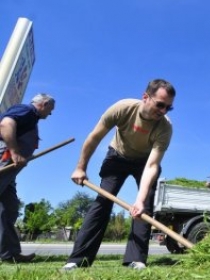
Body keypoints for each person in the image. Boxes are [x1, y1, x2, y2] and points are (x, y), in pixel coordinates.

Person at [61, 79, 175, 271]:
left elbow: (152, 165)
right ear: (145, 97)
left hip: (145, 162)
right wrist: (80, 167)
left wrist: (139, 200)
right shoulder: (123, 108)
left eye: (168, 108)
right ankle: (78, 259)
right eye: (160, 105)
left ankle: (136, 259)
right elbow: (94, 137)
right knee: (102, 202)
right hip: (117, 156)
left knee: (143, 207)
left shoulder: (165, 127)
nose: (163, 111)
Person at [0, 93, 55, 263]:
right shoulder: (26, 111)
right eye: (50, 110)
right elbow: (6, 124)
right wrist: (15, 153)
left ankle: (10, 253)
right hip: (4, 161)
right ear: (44, 104)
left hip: (11, 173)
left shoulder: (32, 119)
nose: (50, 114)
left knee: (9, 209)